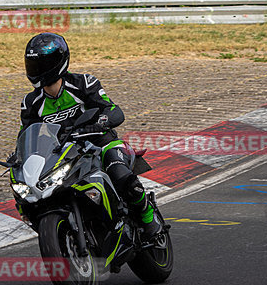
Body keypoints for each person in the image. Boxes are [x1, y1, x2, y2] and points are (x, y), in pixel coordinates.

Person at [19, 32, 161, 239]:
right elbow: (26, 134)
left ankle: (148, 217)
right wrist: (19, 155)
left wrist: (101, 121)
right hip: (63, 154)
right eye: (33, 65)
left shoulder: (83, 83)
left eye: (43, 63)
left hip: (101, 143)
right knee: (31, 196)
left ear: (59, 61)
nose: (37, 70)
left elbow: (114, 111)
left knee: (121, 175)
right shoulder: (30, 102)